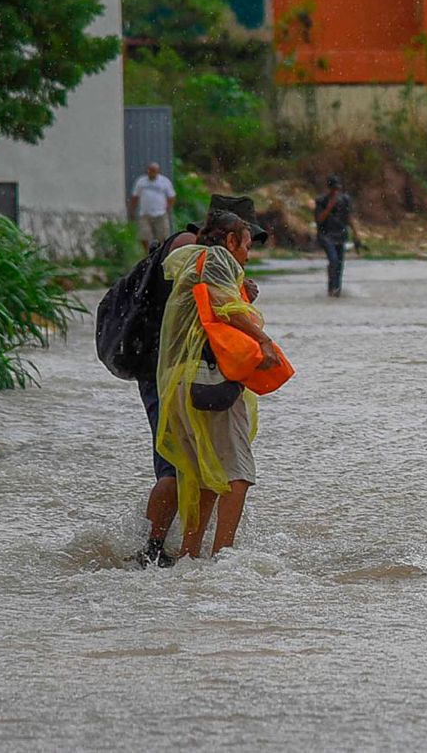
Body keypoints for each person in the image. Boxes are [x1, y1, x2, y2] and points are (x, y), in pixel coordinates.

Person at [130, 195, 267, 567]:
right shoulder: (216, 259)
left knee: (198, 474)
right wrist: (264, 340)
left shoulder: (186, 256)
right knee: (237, 474)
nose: (249, 255)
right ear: (231, 238)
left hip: (172, 377)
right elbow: (222, 308)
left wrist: (241, 290)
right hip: (206, 377)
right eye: (247, 244)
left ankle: (183, 557)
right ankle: (222, 561)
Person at [314, 174, 359, 297]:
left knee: (340, 264)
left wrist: (356, 235)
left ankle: (336, 290)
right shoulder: (321, 201)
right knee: (333, 260)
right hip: (326, 235)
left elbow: (349, 217)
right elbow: (319, 220)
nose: (336, 192)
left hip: (340, 235)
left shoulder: (345, 200)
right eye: (333, 189)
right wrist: (329, 207)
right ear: (329, 189)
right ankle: (331, 287)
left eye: (337, 189)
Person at [129, 162, 177, 254]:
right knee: (144, 235)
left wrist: (168, 208)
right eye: (150, 171)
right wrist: (132, 210)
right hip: (145, 214)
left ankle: (160, 253)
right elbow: (135, 196)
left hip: (160, 213)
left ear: (158, 171)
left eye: (154, 171)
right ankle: (147, 254)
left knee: (163, 236)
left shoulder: (164, 181)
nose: (152, 173)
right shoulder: (141, 182)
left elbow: (171, 196)